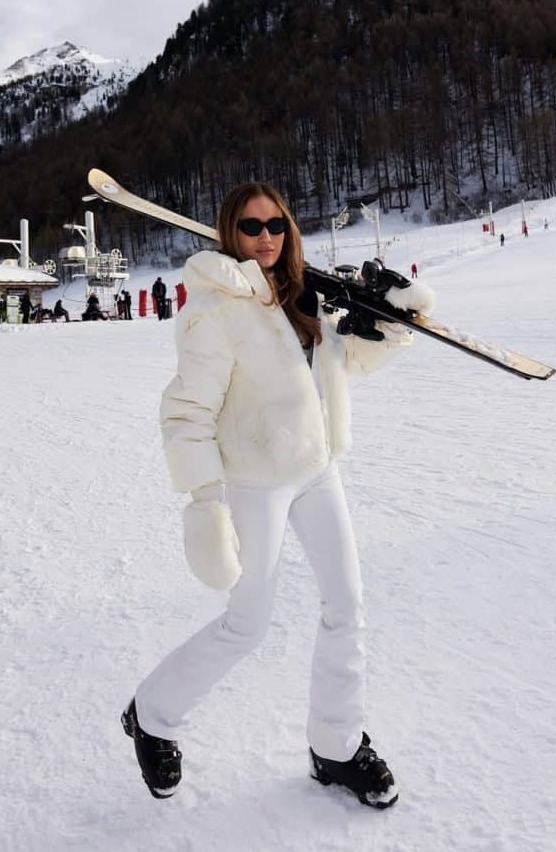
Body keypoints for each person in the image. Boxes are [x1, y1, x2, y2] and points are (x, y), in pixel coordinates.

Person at [121, 180, 436, 808]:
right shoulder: (213, 311)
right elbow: (186, 413)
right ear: (228, 234)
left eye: (276, 226)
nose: (266, 238)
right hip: (254, 480)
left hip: (316, 468)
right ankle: (151, 714)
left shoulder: (302, 294)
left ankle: (337, 747)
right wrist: (206, 501)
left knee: (347, 605)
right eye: (250, 227)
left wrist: (389, 325)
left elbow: (341, 368)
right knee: (248, 624)